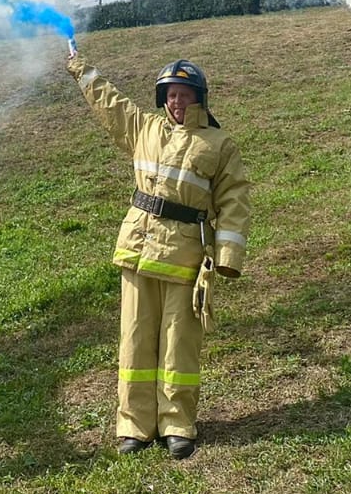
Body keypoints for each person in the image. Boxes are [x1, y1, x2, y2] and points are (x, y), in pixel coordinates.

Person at [66, 51, 252, 458]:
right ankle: (133, 425)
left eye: (184, 94)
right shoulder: (144, 128)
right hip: (137, 248)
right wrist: (81, 68)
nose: (177, 102)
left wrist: (227, 258)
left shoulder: (220, 144)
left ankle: (177, 424)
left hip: (185, 256)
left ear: (200, 98)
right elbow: (110, 104)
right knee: (134, 340)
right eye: (170, 94)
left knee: (178, 344)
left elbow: (234, 201)